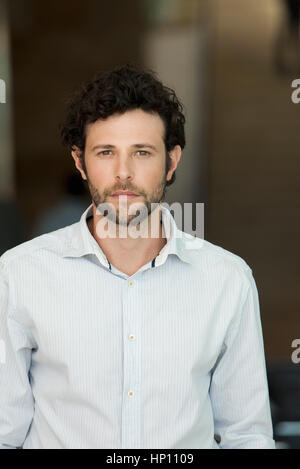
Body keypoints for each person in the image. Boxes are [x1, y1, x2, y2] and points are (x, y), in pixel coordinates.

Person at [0, 64, 275, 449]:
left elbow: (246, 436)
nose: (123, 172)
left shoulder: (227, 279)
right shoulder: (19, 275)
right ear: (80, 162)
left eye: (142, 153)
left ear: (171, 161)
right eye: (106, 152)